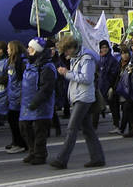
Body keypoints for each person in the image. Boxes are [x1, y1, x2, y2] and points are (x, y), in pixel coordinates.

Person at [49, 35, 105, 169]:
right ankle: (97, 158)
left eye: (66, 51)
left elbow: (87, 78)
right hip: (80, 96)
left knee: (72, 128)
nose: (65, 54)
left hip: (83, 97)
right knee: (87, 130)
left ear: (72, 48)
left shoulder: (86, 58)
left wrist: (67, 73)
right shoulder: (78, 57)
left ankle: (62, 159)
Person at [19, 37, 56, 165]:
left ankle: (40, 154)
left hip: (40, 105)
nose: (28, 49)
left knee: (39, 131)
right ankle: (32, 151)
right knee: (24, 127)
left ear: (36, 50)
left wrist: (36, 101)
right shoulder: (29, 64)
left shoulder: (47, 67)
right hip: (27, 103)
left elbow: (46, 88)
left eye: (31, 48)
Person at [4, 40, 28, 154]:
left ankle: (21, 143)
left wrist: (21, 95)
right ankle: (16, 141)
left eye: (9, 48)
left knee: (16, 121)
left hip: (18, 95)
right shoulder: (11, 61)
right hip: (12, 94)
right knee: (12, 120)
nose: (7, 50)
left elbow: (22, 80)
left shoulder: (21, 61)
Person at [92, 40, 120, 129]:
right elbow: (97, 73)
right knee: (96, 107)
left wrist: (112, 87)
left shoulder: (112, 60)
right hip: (100, 87)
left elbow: (115, 75)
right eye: (102, 47)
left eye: (106, 47)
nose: (104, 49)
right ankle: (93, 127)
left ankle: (116, 125)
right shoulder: (100, 59)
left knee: (113, 107)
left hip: (110, 87)